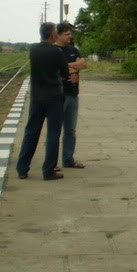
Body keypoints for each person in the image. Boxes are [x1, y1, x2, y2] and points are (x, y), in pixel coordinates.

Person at [16, 22, 69, 180]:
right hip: (54, 98)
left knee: (31, 133)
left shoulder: (33, 49)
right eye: (55, 32)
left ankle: (22, 169)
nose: (57, 34)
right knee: (53, 134)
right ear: (52, 34)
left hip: (37, 98)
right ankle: (48, 171)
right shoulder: (57, 51)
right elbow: (65, 72)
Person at [55, 22, 87, 169]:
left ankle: (68, 159)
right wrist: (74, 68)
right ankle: (52, 162)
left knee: (70, 129)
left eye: (70, 33)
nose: (70, 36)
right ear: (59, 34)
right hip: (58, 95)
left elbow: (84, 63)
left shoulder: (73, 49)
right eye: (67, 34)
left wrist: (68, 66)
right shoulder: (53, 50)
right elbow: (55, 67)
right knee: (54, 130)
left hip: (73, 94)